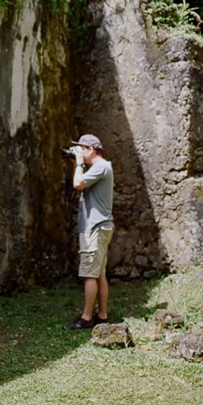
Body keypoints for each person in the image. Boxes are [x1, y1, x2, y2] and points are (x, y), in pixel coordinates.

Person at [66, 133, 115, 329]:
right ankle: (102, 315)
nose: (78, 151)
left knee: (90, 274)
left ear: (90, 149)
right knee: (99, 274)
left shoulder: (101, 167)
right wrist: (76, 163)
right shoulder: (101, 168)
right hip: (101, 226)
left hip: (94, 228)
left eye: (81, 148)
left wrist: (78, 163)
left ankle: (86, 318)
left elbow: (77, 184)